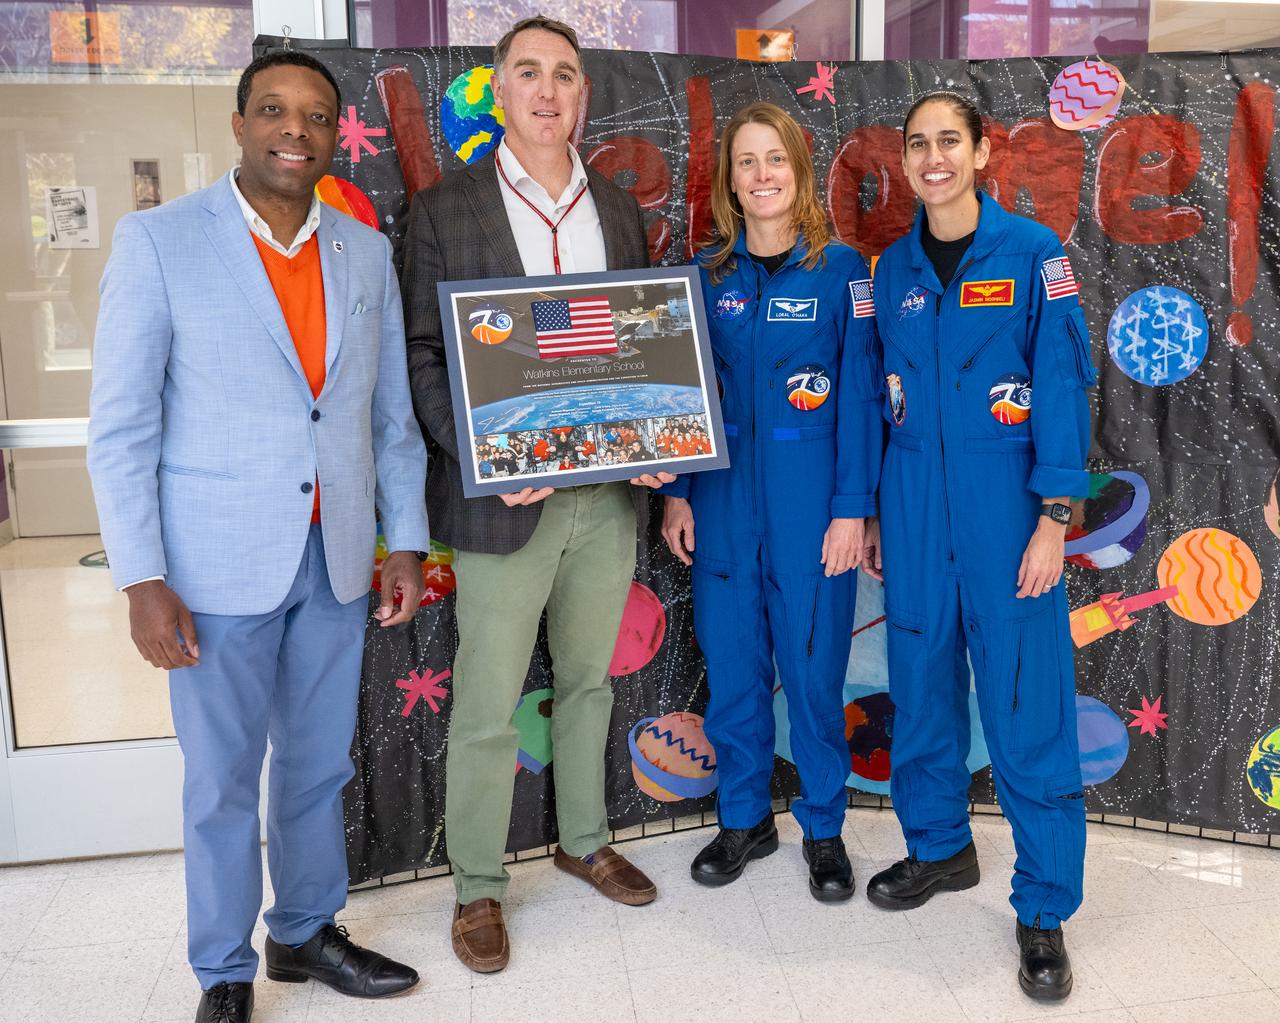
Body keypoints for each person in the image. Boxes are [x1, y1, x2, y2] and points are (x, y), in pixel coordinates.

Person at [86, 51, 430, 1023]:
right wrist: (141, 576)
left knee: (321, 766)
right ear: (238, 125)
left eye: (316, 115)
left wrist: (402, 539)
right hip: (212, 568)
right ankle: (224, 971)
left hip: (335, 563)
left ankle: (305, 932)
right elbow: (120, 428)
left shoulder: (364, 254)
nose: (295, 128)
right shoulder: (157, 242)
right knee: (224, 780)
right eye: (273, 110)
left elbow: (386, 418)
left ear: (331, 135)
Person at [400, 15, 671, 975]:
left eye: (564, 74)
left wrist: (651, 435)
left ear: (583, 96)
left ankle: (584, 835)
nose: (547, 90)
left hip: (606, 498)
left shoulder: (620, 208)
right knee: (485, 699)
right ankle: (477, 885)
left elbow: (640, 341)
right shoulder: (443, 209)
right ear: (500, 90)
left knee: (591, 679)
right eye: (528, 73)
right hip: (501, 507)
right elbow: (423, 360)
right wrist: (489, 458)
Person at [862, 91, 1095, 1001]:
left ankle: (1042, 909)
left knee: (1026, 709)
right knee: (919, 688)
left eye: (949, 141)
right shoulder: (891, 270)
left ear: (984, 152)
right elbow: (881, 400)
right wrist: (878, 510)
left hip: (1009, 510)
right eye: (918, 144)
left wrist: (1054, 515)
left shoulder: (1035, 257)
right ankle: (939, 848)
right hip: (914, 503)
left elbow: (1065, 385)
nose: (933, 158)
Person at [661, 102, 882, 901]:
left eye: (774, 160)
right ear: (730, 180)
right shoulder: (705, 272)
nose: (761, 176)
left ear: (800, 171)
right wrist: (679, 493)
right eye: (746, 162)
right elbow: (683, 391)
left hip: (812, 501)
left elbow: (860, 397)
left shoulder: (845, 272)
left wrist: (852, 509)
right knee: (735, 671)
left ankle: (823, 825)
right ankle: (745, 816)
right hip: (722, 502)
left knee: (816, 670)